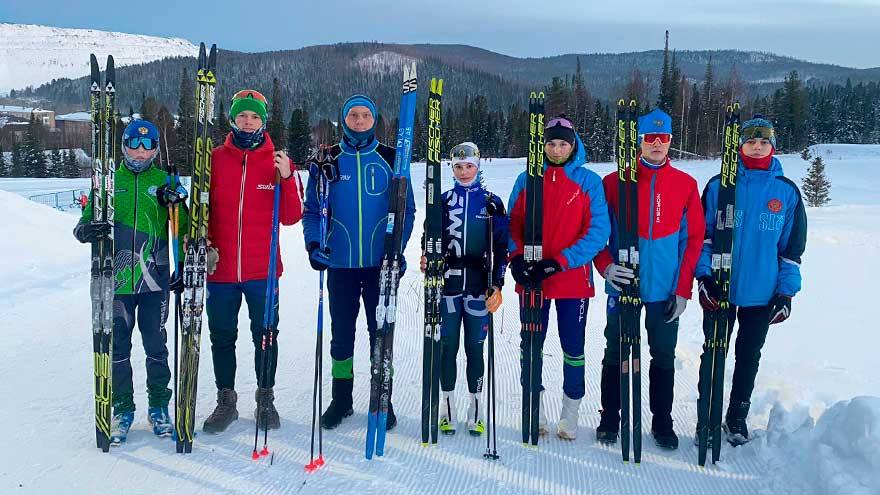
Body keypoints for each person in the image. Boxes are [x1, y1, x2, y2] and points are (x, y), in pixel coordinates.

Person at [302, 94, 416, 431]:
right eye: (353, 115)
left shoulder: (391, 158)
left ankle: (383, 399)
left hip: (381, 265)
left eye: (366, 114)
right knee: (341, 336)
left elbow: (406, 211)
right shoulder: (326, 161)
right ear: (344, 119)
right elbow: (312, 210)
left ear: (374, 118)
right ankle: (341, 399)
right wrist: (313, 244)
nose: (360, 120)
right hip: (341, 265)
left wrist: (396, 249)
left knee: (381, 334)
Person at [593, 108, 705, 450]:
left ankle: (662, 422)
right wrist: (606, 266)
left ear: (671, 140)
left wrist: (683, 288)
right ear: (638, 140)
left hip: (664, 289)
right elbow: (597, 232)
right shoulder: (613, 183)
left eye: (664, 138)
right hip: (623, 284)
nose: (657, 144)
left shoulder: (685, 185)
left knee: (663, 355)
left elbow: (693, 240)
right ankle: (611, 417)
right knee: (616, 351)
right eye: (650, 138)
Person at [73, 119, 190, 445]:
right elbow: (84, 223)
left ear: (155, 148)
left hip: (155, 281)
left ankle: (158, 408)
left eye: (147, 145)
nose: (140, 151)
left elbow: (186, 223)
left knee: (156, 348)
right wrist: (86, 231)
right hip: (117, 282)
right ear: (123, 146)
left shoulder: (165, 180)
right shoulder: (109, 183)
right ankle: (123, 409)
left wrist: (175, 200)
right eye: (133, 145)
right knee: (118, 350)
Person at [695, 115, 807, 446]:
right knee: (714, 352)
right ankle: (708, 416)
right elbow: (703, 238)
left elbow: (791, 249)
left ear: (773, 147)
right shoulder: (718, 186)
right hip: (721, 288)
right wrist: (703, 276)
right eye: (750, 142)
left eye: (764, 143)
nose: (757, 148)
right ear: (740, 145)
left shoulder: (785, 192)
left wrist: (786, 293)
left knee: (749, 355)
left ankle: (737, 417)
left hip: (762, 291)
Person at [201, 89, 304, 434]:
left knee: (266, 335)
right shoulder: (214, 159)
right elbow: (200, 210)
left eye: (255, 116)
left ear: (263, 120)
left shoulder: (277, 160)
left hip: (262, 270)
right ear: (232, 119)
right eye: (242, 116)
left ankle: (265, 399)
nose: (248, 122)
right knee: (222, 336)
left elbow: (291, 216)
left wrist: (288, 178)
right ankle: (226, 401)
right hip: (221, 269)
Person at [507, 115, 610, 440]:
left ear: (573, 145)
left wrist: (561, 261)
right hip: (533, 279)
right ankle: (533, 408)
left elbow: (597, 232)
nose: (555, 149)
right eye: (550, 143)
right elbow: (512, 223)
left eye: (562, 143)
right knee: (531, 345)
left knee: (573, 346)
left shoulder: (588, 181)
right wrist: (516, 256)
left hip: (570, 280)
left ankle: (570, 411)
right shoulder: (527, 179)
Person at [418, 142, 508, 436]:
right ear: (452, 168)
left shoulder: (492, 202)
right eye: (458, 167)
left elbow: (503, 248)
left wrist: (497, 284)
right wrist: (427, 257)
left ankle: (476, 406)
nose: (464, 172)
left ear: (478, 166)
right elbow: (428, 238)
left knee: (475, 347)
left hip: (479, 287)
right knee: (447, 346)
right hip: (448, 286)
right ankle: (447, 405)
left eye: (469, 166)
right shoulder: (442, 201)